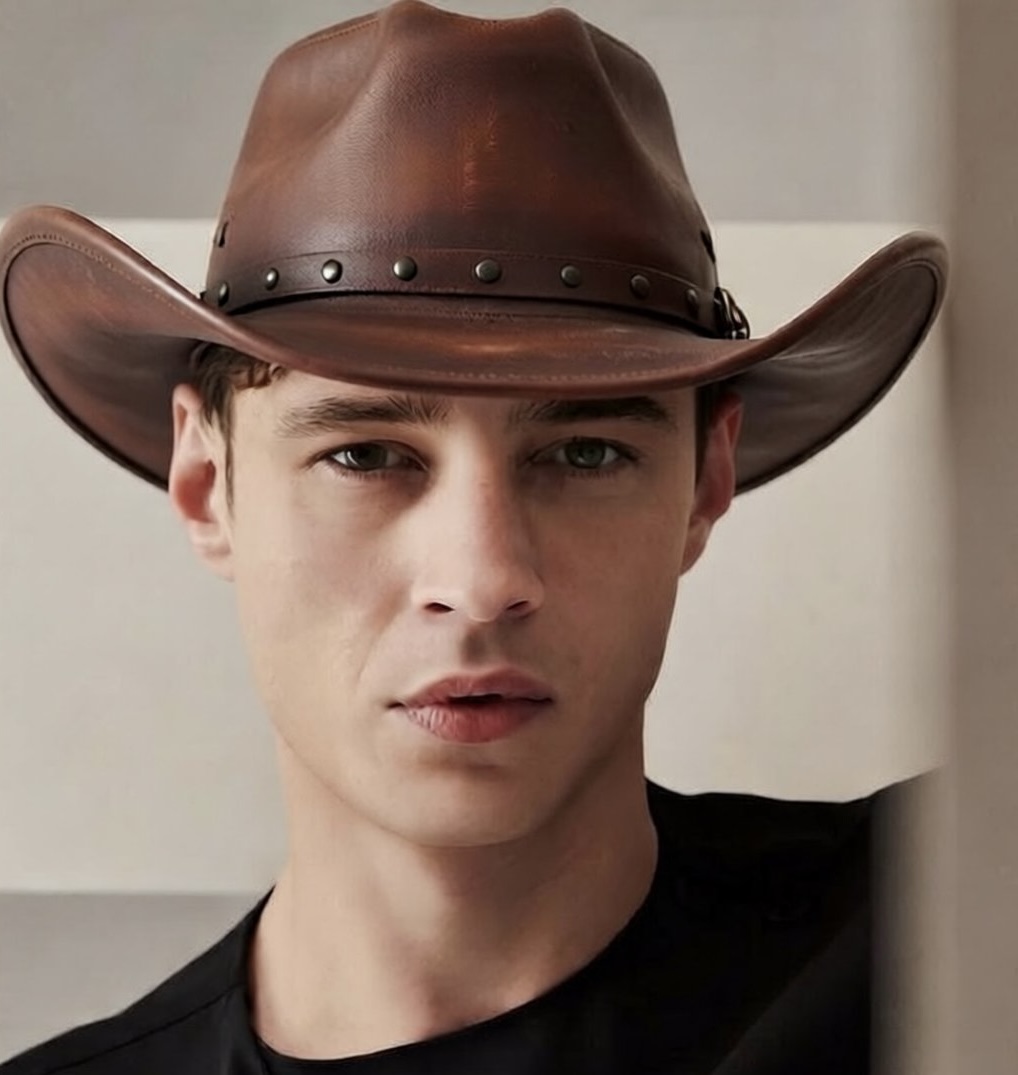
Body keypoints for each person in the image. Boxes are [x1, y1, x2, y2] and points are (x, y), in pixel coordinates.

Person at [0, 2, 947, 1072]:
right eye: (364, 453)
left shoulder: (949, 937)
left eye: (584, 453)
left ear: (704, 481)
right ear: (208, 480)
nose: (482, 577)